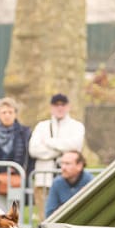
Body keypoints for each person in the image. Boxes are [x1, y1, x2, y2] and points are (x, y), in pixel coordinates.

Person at [28, 93, 86, 221]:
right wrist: (61, 150)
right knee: (46, 219)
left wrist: (49, 142)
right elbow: (34, 150)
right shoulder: (42, 126)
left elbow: (75, 146)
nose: (60, 108)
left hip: (70, 182)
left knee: (70, 219)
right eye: (56, 105)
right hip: (44, 181)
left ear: (68, 106)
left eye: (63, 105)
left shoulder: (77, 126)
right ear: (51, 107)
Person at [44, 150, 93, 218]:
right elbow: (49, 214)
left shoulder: (90, 182)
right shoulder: (57, 183)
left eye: (67, 164)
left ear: (79, 165)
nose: (63, 167)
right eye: (62, 163)